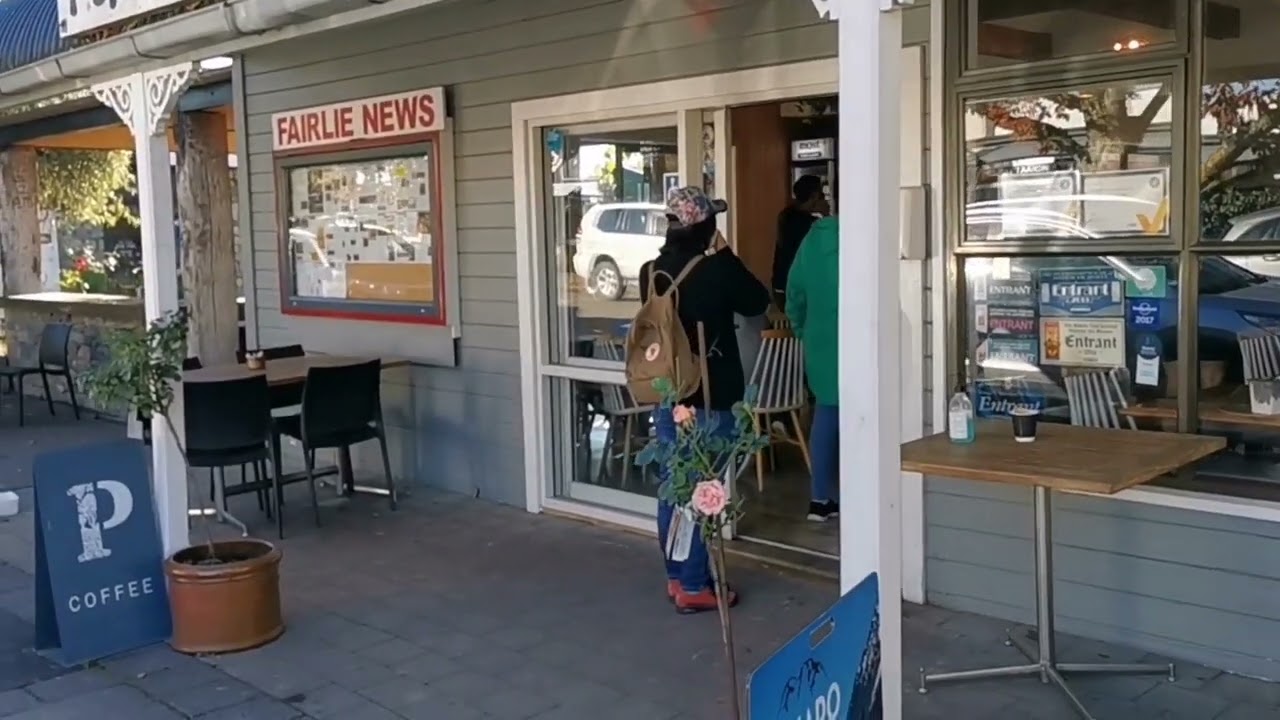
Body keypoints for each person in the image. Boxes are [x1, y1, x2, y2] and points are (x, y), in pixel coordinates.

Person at [640, 186, 771, 613]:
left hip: (669, 393)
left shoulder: (653, 271)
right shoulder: (717, 270)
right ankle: (696, 585)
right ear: (707, 226)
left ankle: (678, 577)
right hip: (711, 398)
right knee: (701, 492)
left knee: (674, 488)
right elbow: (757, 300)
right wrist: (726, 252)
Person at [785, 215, 839, 522]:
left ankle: (819, 499)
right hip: (860, 338)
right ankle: (862, 495)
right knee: (860, 420)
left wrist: (801, 327)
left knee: (826, 415)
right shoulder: (865, 232)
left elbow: (795, 289)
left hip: (819, 339)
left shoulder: (812, 240)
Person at [771, 175, 829, 309]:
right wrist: (826, 215)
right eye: (822, 195)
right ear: (814, 196)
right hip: (795, 289)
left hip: (781, 285)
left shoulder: (786, 215)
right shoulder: (810, 225)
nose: (824, 199)